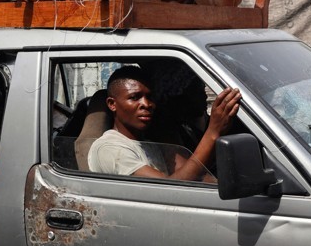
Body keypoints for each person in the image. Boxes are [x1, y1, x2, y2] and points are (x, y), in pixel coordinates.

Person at [87, 66, 242, 181]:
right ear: (112, 104)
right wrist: (213, 132)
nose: (146, 104)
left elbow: (195, 176)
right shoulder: (110, 148)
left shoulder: (148, 142)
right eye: (135, 97)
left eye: (150, 97)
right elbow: (170, 191)